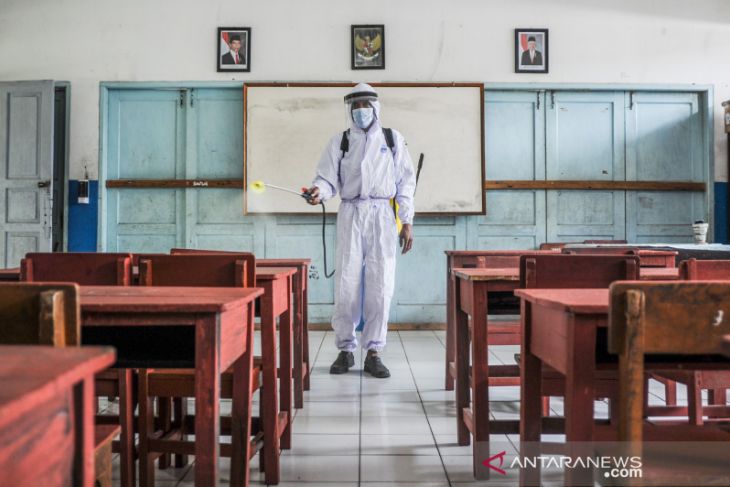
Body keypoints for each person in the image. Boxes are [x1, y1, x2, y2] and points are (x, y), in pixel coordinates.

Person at [307, 83, 416, 378]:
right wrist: (318, 191)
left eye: (365, 105)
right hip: (351, 212)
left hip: (383, 215)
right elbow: (326, 179)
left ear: (376, 108)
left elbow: (406, 183)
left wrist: (406, 221)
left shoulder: (392, 139)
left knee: (381, 286)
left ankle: (374, 351)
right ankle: (345, 349)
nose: (360, 111)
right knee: (346, 284)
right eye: (354, 106)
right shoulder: (341, 141)